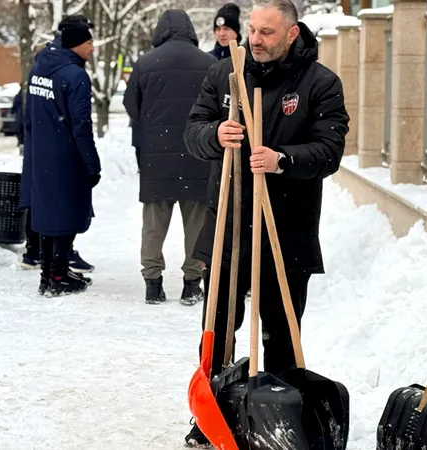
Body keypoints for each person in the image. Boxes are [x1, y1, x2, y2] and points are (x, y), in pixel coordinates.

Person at [181, 0, 349, 444]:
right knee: (217, 332)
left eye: (266, 32)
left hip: (285, 231)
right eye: (252, 29)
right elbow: (193, 128)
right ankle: (212, 417)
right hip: (228, 228)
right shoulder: (225, 74)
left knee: (280, 337)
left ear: (292, 33)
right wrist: (214, 135)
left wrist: (282, 159)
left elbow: (329, 151)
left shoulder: (320, 83)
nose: (254, 39)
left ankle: (275, 423)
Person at [123, 10, 217, 306]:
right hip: (197, 156)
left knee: (153, 224)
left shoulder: (145, 64)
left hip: (156, 158)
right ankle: (192, 283)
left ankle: (153, 283)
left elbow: (131, 107)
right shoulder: (209, 63)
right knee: (197, 223)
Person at [20, 15, 101, 296]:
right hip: (66, 156)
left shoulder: (39, 67)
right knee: (66, 214)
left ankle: (50, 272)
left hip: (41, 153)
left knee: (47, 213)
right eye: (88, 42)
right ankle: (56, 275)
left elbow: (28, 114)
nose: (92, 47)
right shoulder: (75, 76)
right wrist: (92, 164)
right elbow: (81, 125)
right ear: (76, 45)